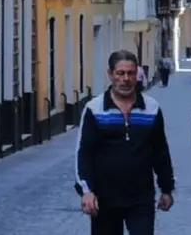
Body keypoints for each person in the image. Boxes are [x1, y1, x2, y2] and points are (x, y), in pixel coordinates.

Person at [75, 50, 175, 235]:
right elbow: (84, 153)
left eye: (130, 73)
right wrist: (86, 191)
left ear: (137, 73)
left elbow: (160, 151)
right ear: (110, 74)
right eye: (120, 73)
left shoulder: (151, 109)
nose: (126, 79)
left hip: (141, 198)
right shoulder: (94, 109)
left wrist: (166, 188)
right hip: (104, 199)